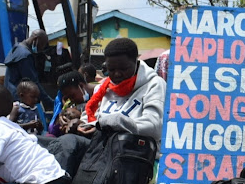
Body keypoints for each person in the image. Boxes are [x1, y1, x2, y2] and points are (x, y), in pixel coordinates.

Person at [49, 38, 166, 176]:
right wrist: (79, 125)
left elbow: (154, 127)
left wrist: (106, 123)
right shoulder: (103, 87)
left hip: (135, 157)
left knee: (69, 143)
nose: (116, 74)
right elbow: (89, 120)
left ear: (136, 62)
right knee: (49, 143)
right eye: (111, 69)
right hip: (101, 154)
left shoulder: (154, 85)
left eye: (123, 69)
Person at [4, 29, 53, 108]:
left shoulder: (18, 47)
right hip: (19, 98)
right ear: (36, 39)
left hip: (10, 94)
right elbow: (33, 81)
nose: (41, 49)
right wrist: (49, 101)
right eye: (41, 45)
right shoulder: (25, 56)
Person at [47, 70, 89, 136]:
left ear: (81, 86)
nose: (71, 100)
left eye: (72, 96)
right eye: (68, 98)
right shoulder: (71, 104)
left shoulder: (101, 96)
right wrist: (61, 116)